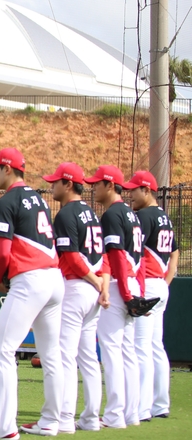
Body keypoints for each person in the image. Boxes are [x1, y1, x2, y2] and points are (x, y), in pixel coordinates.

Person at [0, 148, 63, 439]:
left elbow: (1, 252)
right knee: (51, 355)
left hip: (31, 280)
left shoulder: (7, 200)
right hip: (54, 280)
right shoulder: (40, 199)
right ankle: (50, 421)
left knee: (2, 350)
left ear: (8, 169)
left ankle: (5, 427)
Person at [43, 163, 107, 433]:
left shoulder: (66, 214)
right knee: (88, 357)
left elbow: (70, 256)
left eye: (56, 182)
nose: (52, 186)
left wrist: (94, 281)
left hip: (77, 286)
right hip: (94, 288)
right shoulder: (92, 214)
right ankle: (91, 418)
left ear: (68, 184)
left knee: (66, 356)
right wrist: (102, 284)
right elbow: (102, 256)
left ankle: (66, 417)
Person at [84, 165, 145, 428]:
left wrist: (128, 294)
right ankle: (131, 413)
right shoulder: (131, 214)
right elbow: (138, 258)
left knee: (111, 351)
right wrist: (138, 292)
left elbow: (117, 256)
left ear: (110, 185)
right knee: (127, 351)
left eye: (97, 183)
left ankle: (114, 415)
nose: (93, 187)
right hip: (132, 283)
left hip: (121, 286)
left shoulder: (111, 216)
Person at [123, 171, 177, 421]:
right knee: (155, 346)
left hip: (149, 285)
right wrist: (165, 283)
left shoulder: (143, 216)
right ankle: (160, 404)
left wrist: (148, 288)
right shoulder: (164, 216)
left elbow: (132, 251)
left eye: (134, 189)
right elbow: (175, 253)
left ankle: (142, 408)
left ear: (146, 190)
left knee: (140, 347)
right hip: (160, 285)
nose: (130, 193)